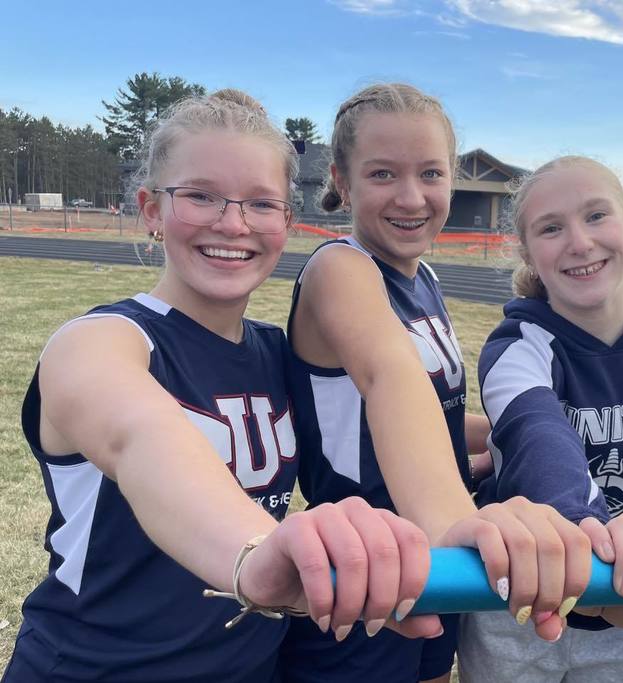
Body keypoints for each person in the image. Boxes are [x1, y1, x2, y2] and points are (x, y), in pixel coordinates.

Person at [2, 89, 444, 683]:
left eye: (262, 204)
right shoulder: (100, 342)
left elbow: (367, 429)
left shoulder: (276, 355)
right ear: (152, 210)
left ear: (287, 221)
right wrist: (256, 556)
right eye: (201, 196)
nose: (232, 223)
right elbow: (144, 439)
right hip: (93, 669)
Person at [279, 84, 623, 683]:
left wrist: (503, 438)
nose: (412, 197)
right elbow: (389, 380)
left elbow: (428, 414)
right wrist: (452, 520)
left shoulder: (424, 276)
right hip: (367, 573)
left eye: (431, 173)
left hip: (440, 571)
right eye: (383, 174)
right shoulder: (341, 269)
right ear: (342, 177)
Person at [457, 156, 623, 683]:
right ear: (528, 252)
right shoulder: (517, 346)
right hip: (521, 602)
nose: (579, 242)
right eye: (551, 228)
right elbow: (538, 439)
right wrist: (592, 536)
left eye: (596, 216)